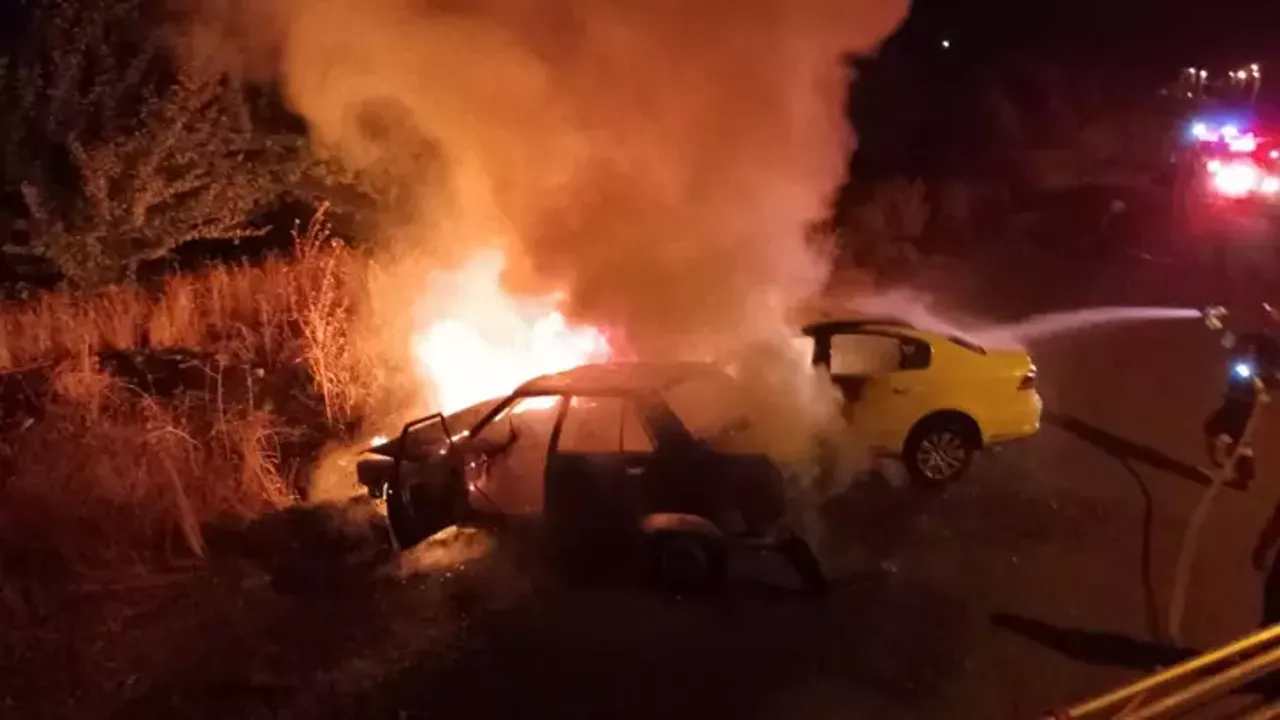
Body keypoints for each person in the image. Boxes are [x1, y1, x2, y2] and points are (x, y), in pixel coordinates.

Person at [1202, 303, 1280, 488]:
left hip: (1247, 400)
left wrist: (1262, 378)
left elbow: (1277, 377)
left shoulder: (1275, 349)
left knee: (1229, 435)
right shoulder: (1247, 338)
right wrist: (1211, 320)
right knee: (1221, 432)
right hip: (1234, 394)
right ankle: (1235, 471)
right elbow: (1226, 340)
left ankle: (1237, 475)